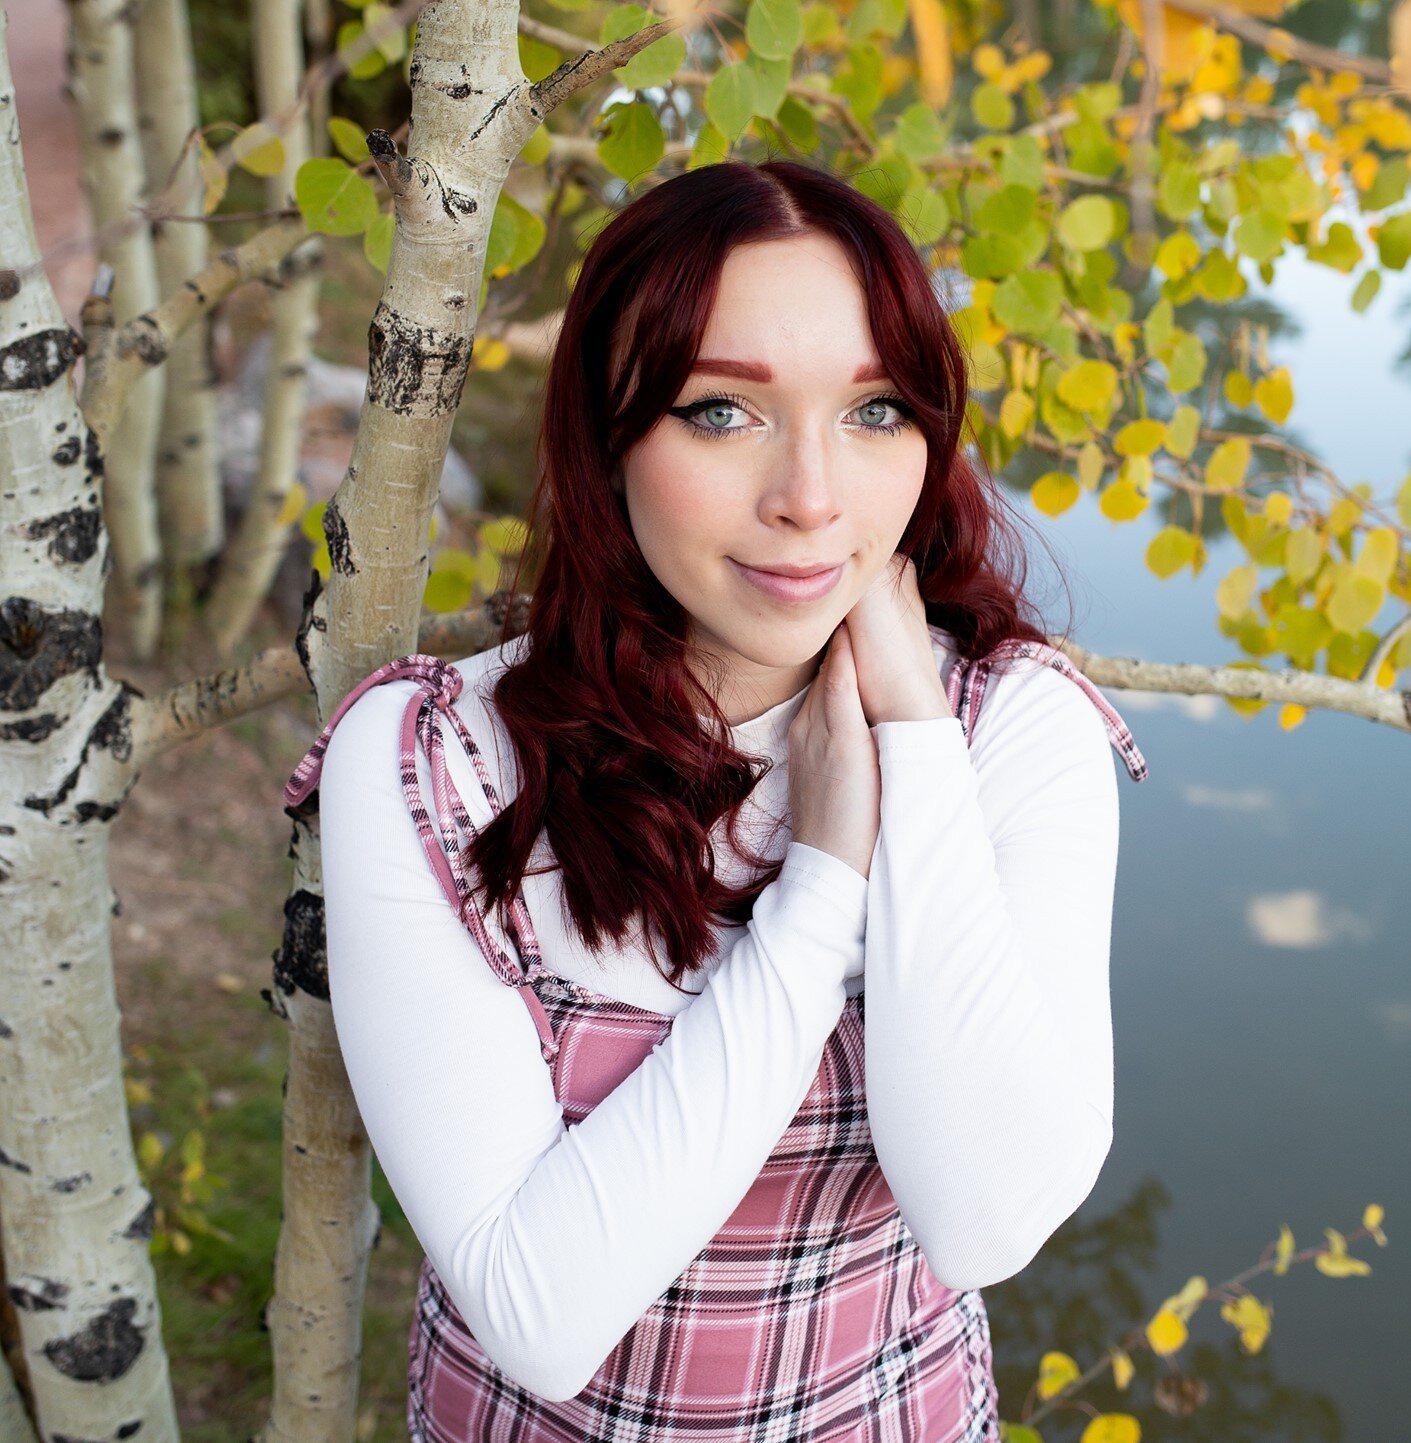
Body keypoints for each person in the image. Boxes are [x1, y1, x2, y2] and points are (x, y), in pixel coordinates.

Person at [283, 158, 1148, 1442]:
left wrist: (910, 738)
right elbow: (537, 1313)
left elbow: (984, 1219)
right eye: (722, 413)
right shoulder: (438, 759)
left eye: (874, 412)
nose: (811, 497)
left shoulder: (1012, 730)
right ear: (608, 433)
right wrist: (824, 891)